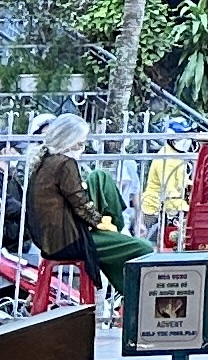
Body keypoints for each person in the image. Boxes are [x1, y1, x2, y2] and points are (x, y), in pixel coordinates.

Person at [25, 112, 148, 283]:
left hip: (53, 239)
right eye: (80, 144)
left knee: (100, 177)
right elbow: (80, 205)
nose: (82, 149)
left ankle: (116, 231)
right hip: (68, 241)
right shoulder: (64, 164)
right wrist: (100, 223)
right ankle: (128, 290)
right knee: (144, 248)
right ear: (68, 141)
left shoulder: (46, 160)